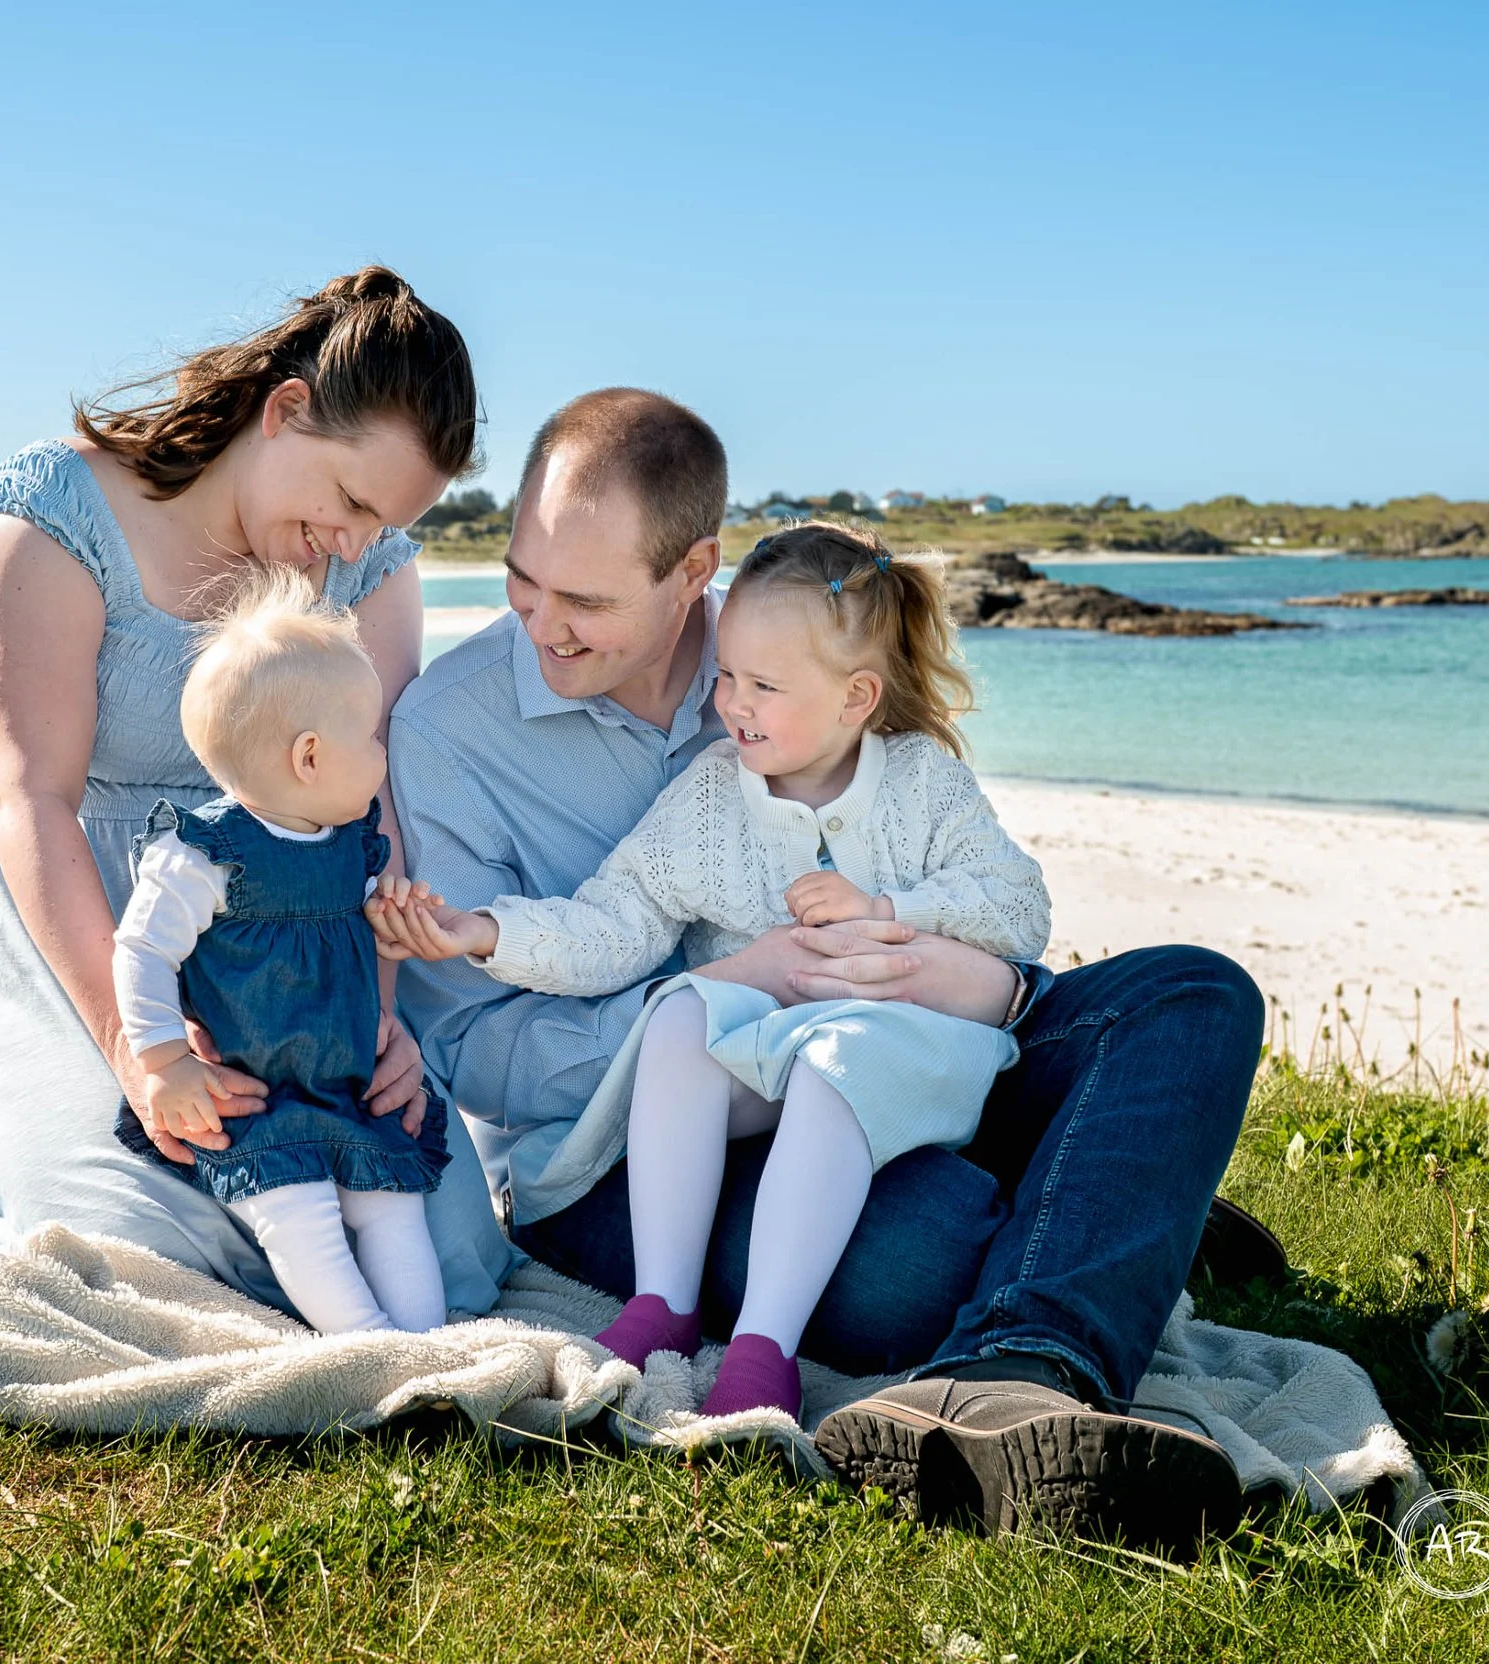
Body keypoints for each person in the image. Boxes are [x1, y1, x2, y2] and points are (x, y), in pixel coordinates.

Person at [389, 388, 1259, 1540]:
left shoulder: (792, 651)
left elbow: (982, 897)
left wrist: (975, 980)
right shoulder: (449, 734)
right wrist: (743, 983)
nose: (541, 625)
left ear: (693, 567)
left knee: (1193, 994)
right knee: (929, 1245)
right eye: (520, 578)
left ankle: (1021, 1369)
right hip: (635, 1145)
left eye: (586, 600)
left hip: (904, 1046)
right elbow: (479, 1047)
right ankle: (1109, 1203)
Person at [0, 266, 516, 1326]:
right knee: (135, 1243)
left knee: (448, 1243)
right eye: (347, 501)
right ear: (284, 411)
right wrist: (138, 1053)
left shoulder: (369, 569)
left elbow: (360, 817)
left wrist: (370, 1023)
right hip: (75, 921)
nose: (352, 542)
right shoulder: (55, 520)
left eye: (379, 521)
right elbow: (28, 798)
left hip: (290, 946)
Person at [371, 522, 1046, 1417]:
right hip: (761, 1054)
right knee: (682, 1017)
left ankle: (766, 1344)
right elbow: (617, 921)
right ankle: (666, 1303)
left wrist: (885, 912)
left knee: (829, 1062)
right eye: (727, 675)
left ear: (855, 698)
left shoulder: (921, 783)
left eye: (766, 686)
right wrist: (486, 931)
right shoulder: (715, 792)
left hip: (893, 1053)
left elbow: (1019, 905)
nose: (732, 703)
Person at [111, 565, 449, 1334]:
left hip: (348, 1085)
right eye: (369, 737)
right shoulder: (206, 854)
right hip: (253, 1095)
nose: (383, 754)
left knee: (393, 1206)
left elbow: (362, 937)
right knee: (298, 1215)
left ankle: (427, 1344)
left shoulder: (348, 843)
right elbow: (141, 951)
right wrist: (165, 1062)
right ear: (309, 757)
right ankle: (365, 1343)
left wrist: (395, 917)